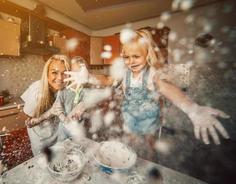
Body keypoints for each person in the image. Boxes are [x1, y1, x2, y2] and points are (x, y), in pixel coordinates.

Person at [65, 28, 230, 147]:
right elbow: (107, 80)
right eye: (127, 57)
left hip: (149, 117)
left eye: (136, 56)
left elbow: (164, 87)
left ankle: (151, 163)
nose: (131, 61)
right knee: (130, 143)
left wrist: (192, 108)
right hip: (129, 115)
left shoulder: (151, 73)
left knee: (149, 145)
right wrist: (90, 77)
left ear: (147, 54)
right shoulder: (125, 72)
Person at [20, 54, 70, 156]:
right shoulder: (37, 91)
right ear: (47, 74)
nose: (60, 78)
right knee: (44, 165)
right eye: (54, 72)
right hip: (41, 139)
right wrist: (48, 113)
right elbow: (25, 120)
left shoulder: (66, 89)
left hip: (58, 134)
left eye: (64, 73)